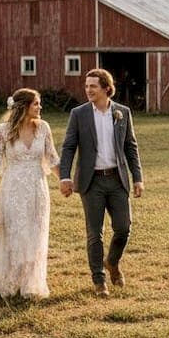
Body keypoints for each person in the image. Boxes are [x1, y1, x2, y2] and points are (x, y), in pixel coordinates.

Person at [60, 68, 145, 297]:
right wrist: (65, 177)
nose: (88, 90)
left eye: (93, 86)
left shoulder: (122, 113)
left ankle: (112, 262)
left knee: (123, 228)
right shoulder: (79, 114)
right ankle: (99, 281)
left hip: (117, 180)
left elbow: (130, 147)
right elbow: (69, 146)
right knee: (94, 233)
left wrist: (137, 178)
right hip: (92, 182)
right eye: (86, 86)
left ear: (106, 89)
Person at [0, 88, 60, 299]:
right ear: (24, 107)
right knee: (14, 232)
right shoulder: (3, 131)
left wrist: (66, 181)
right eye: (36, 104)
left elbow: (52, 159)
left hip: (37, 188)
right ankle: (9, 281)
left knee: (35, 232)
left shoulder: (43, 128)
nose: (40, 107)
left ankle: (31, 283)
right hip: (12, 189)